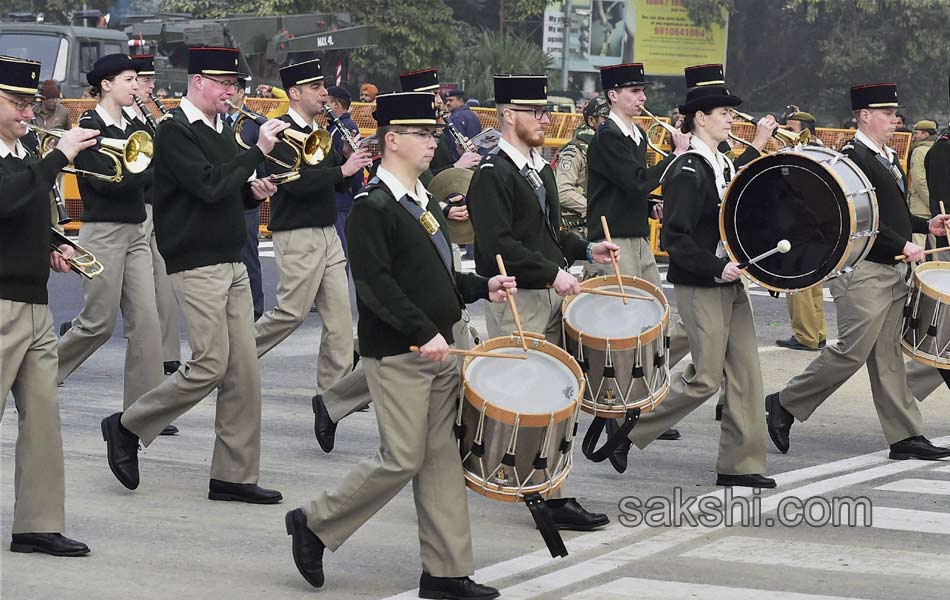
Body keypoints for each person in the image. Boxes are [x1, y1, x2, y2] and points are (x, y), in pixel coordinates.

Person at [284, 91, 512, 598]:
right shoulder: (372, 206)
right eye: (423, 135)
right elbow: (375, 285)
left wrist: (480, 288)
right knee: (403, 457)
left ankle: (446, 572)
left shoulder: (424, 200)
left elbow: (440, 275)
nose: (434, 143)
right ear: (392, 140)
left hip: (442, 347)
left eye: (433, 134)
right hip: (401, 352)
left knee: (440, 460)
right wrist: (421, 331)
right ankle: (315, 522)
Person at [100, 46, 287, 503]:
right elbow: (206, 184)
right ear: (198, 81)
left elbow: (224, 187)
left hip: (230, 261)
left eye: (235, 85)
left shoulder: (221, 129)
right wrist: (257, 152)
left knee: (244, 372)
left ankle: (233, 475)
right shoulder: (174, 132)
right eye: (225, 84)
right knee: (209, 364)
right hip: (196, 261)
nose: (232, 92)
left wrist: (251, 191)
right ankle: (128, 426)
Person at [766, 83, 950, 461]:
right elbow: (848, 218)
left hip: (891, 268)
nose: (895, 120)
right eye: (886, 114)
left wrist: (925, 223)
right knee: (852, 352)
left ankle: (905, 436)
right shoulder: (852, 158)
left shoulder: (885, 155)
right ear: (864, 115)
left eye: (894, 113)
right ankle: (784, 403)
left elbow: (888, 213)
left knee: (887, 356)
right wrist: (900, 244)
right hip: (864, 271)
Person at [467, 73, 617, 531]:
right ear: (508, 116)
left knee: (555, 395)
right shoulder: (492, 175)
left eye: (546, 111)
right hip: (519, 297)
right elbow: (499, 247)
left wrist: (582, 249)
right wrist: (553, 273)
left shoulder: (537, 167)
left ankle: (551, 492)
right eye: (537, 112)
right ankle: (540, 493)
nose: (545, 118)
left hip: (548, 292)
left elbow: (545, 234)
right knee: (528, 399)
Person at [628, 65, 775, 489]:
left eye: (731, 113)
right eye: (724, 113)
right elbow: (675, 239)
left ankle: (740, 465)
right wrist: (717, 266)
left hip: (729, 281)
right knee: (706, 379)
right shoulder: (687, 170)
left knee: (746, 374)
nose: (732, 119)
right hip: (701, 283)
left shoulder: (720, 163)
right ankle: (632, 428)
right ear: (700, 118)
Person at [1, 54, 99, 558]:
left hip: (34, 302)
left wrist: (51, 244)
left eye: (28, 104)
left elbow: (23, 213)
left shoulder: (23, 154)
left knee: (42, 417)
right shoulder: (30, 159)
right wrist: (57, 156)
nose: (26, 112)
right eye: (16, 102)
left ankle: (37, 523)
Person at [56, 54, 168, 426]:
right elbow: (105, 180)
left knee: (147, 324)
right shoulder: (88, 124)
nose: (136, 86)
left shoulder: (137, 123)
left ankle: (144, 413)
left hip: (135, 228)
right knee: (97, 324)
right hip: (102, 230)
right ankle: (39, 376)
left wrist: (147, 169)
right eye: (129, 79)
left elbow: (144, 174)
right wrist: (148, 170)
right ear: (106, 84)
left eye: (137, 80)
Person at [254, 59, 371, 404]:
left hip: (327, 231)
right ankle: (232, 360)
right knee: (291, 313)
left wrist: (351, 161)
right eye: (316, 88)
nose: (324, 94)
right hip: (297, 232)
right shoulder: (277, 131)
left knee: (339, 322)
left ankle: (330, 399)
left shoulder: (319, 132)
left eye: (323, 87)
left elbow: (336, 182)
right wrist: (342, 170)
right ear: (295, 93)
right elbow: (293, 184)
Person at [127, 54, 184, 381]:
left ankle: (168, 355)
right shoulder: (125, 118)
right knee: (136, 296)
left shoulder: (153, 117)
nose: (150, 87)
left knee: (165, 283)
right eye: (144, 81)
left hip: (160, 205)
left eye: (149, 82)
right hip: (137, 208)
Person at [774, 111, 828, 353]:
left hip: (799, 223)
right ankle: (818, 332)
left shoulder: (803, 152)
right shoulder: (822, 151)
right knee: (813, 282)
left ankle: (805, 335)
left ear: (806, 130)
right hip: (816, 225)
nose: (786, 132)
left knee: (797, 282)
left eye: (792, 129)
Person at [224, 80, 266, 320]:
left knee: (248, 254)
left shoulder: (253, 121)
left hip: (247, 195)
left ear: (241, 93)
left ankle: (256, 309)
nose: (229, 95)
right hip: (225, 193)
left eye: (233, 90)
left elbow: (261, 161)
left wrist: (258, 187)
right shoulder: (217, 120)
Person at [555, 95, 609, 237]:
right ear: (591, 120)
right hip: (578, 230)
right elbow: (562, 191)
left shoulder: (609, 147)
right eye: (606, 119)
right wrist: (594, 209)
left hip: (604, 226)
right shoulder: (575, 150)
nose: (611, 124)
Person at [325, 84, 365, 259]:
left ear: (336, 104)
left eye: (326, 101)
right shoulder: (335, 126)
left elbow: (353, 166)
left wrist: (356, 193)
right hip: (339, 198)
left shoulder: (345, 127)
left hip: (342, 199)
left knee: (339, 253)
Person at [907, 119, 938, 249]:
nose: (914, 136)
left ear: (925, 134)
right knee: (937, 245)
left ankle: (918, 270)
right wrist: (935, 204)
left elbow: (919, 181)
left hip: (921, 206)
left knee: (918, 246)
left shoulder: (919, 151)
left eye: (917, 133)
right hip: (937, 207)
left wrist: (930, 202)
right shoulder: (940, 149)